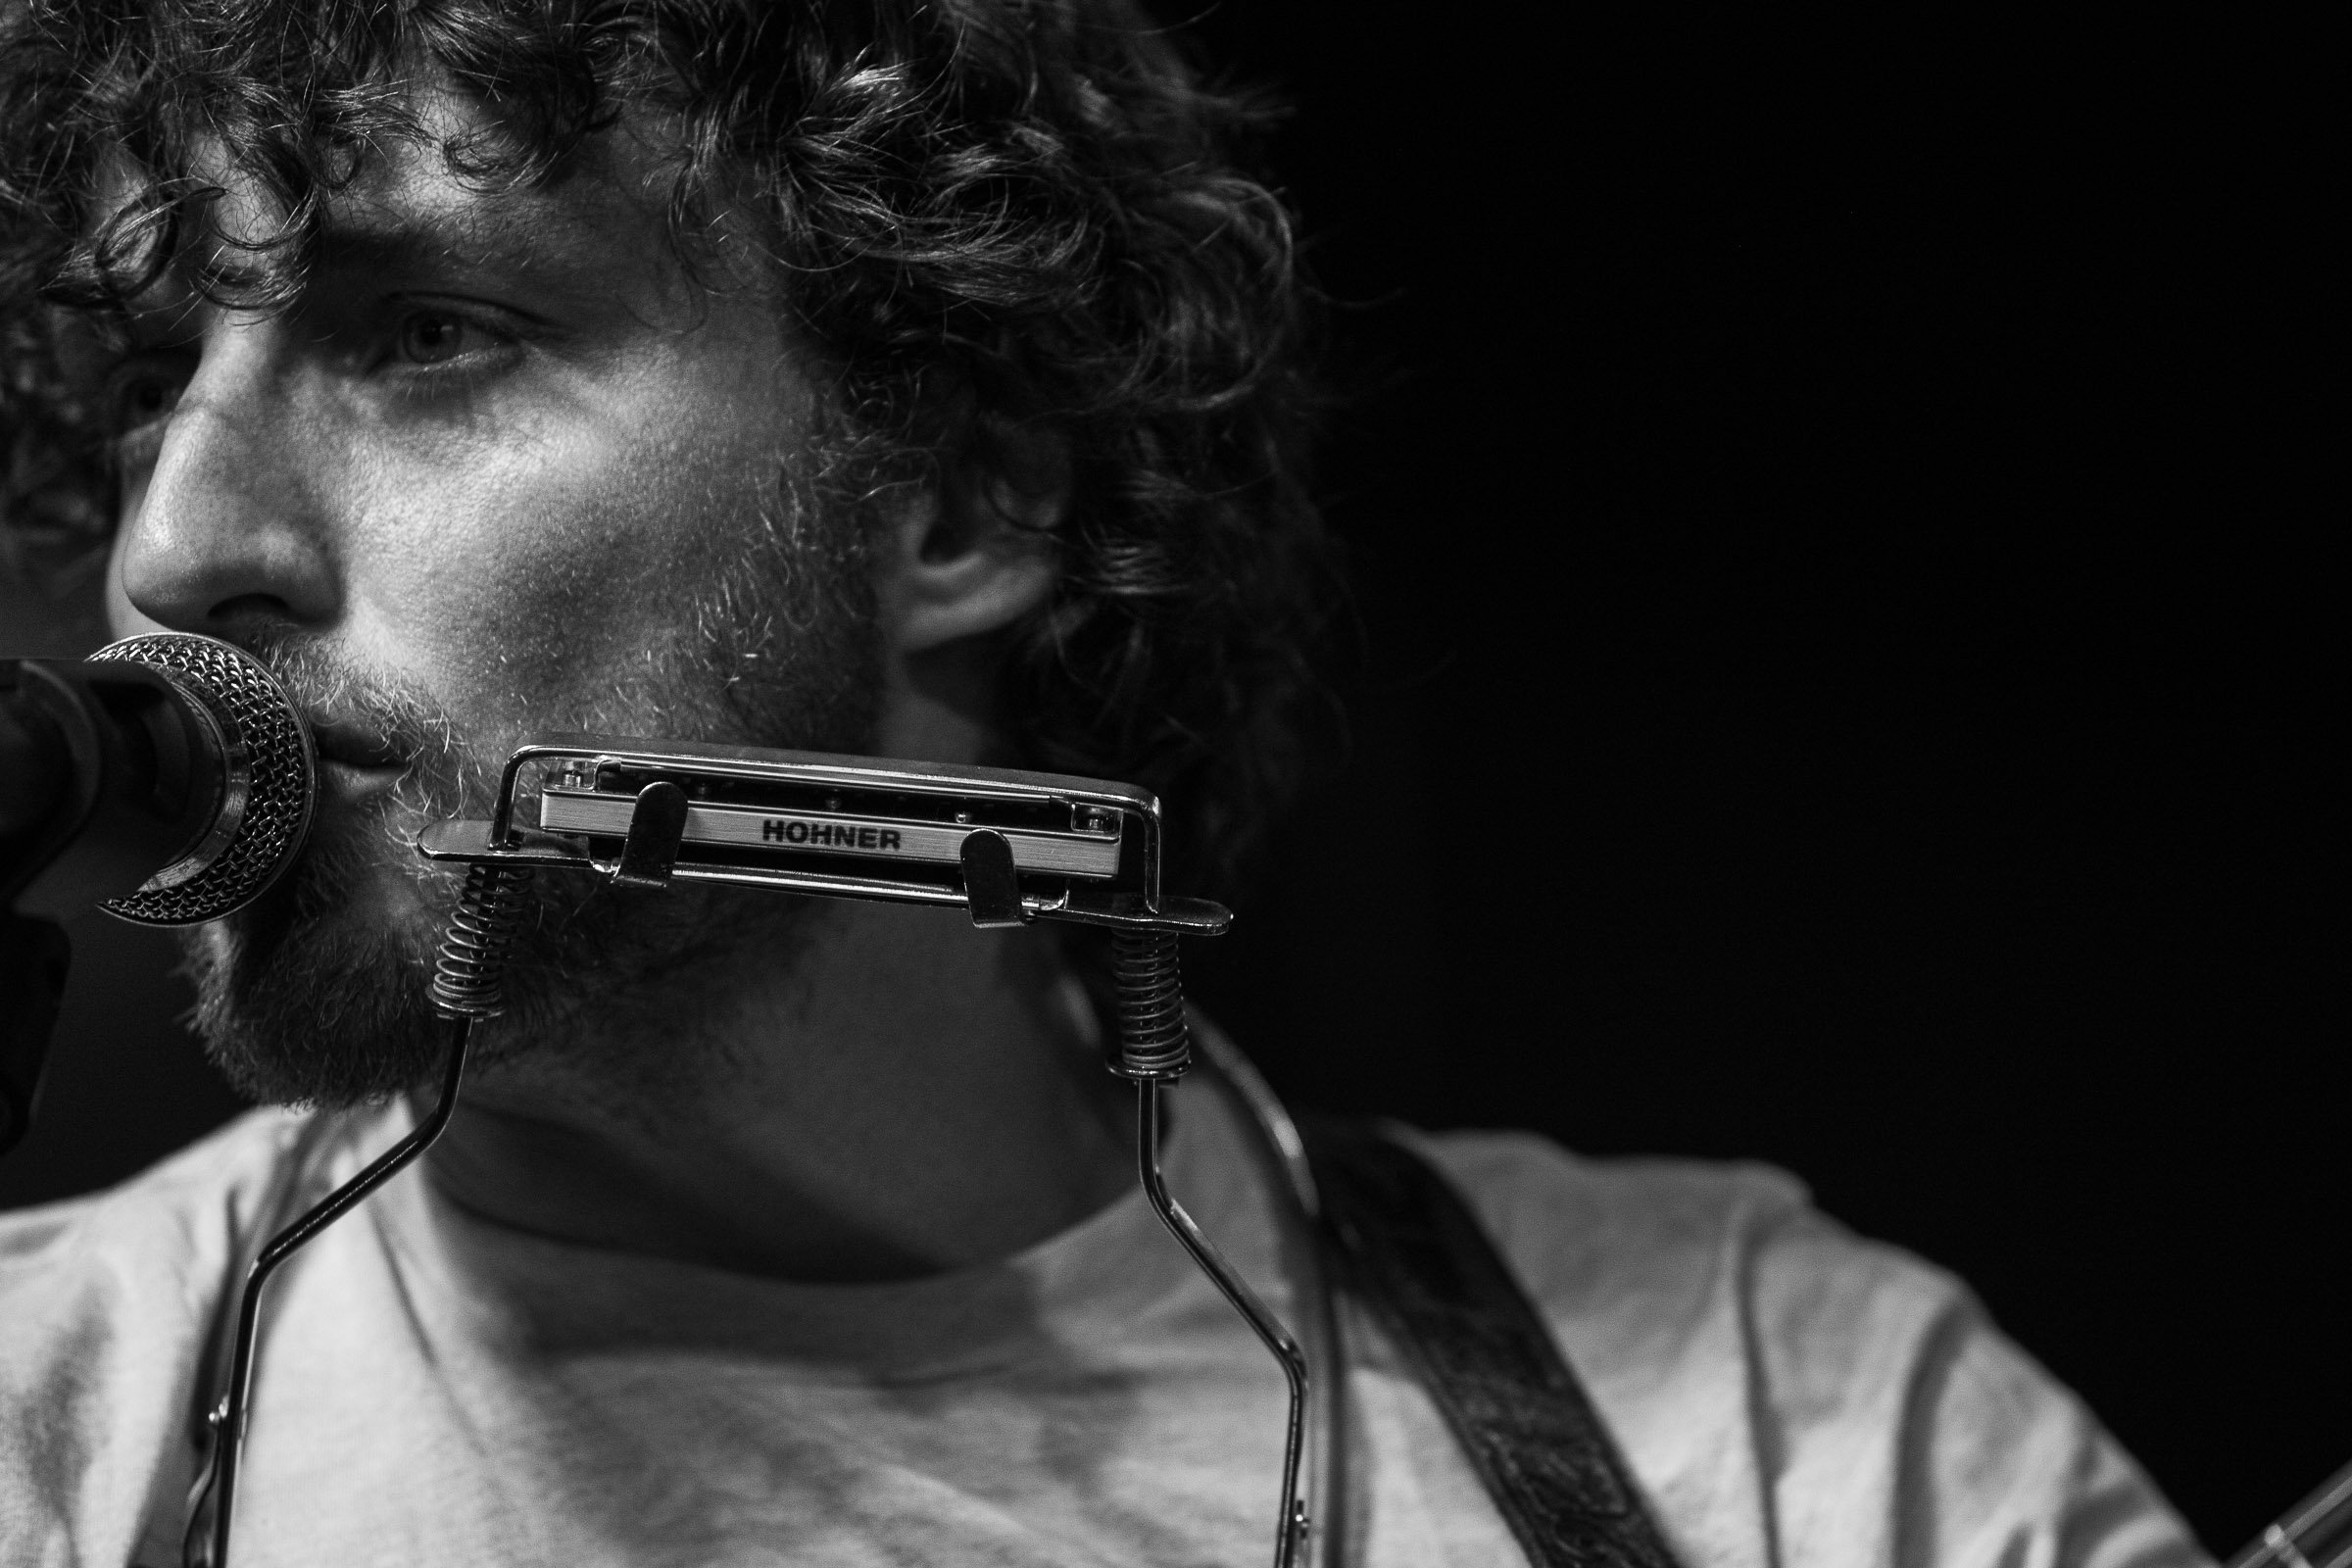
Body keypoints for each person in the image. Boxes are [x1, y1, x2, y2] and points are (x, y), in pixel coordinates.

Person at [0, 2, 2208, 1564]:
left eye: (423, 335)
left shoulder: (1781, 1419)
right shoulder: (40, 1424)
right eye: (154, 367)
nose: (179, 545)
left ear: (954, 494)